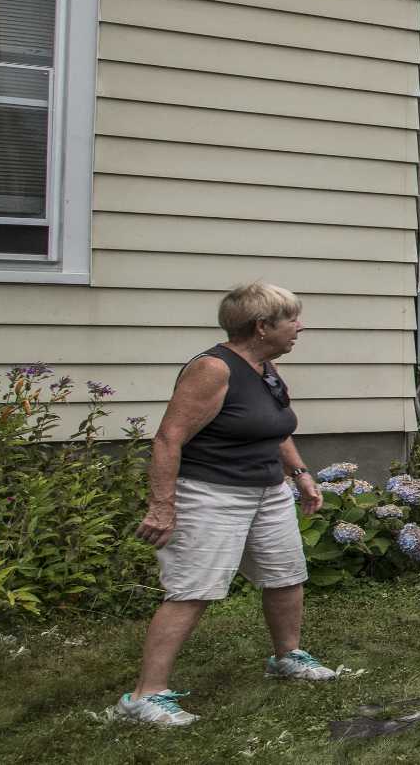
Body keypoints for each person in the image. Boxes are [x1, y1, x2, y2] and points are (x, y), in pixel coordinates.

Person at [113, 282, 340, 728]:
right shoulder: (213, 369)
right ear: (261, 326)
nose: (300, 327)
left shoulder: (265, 368)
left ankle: (286, 656)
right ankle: (144, 696)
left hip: (267, 490)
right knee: (193, 589)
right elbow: (167, 438)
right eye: (291, 319)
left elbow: (274, 427)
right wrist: (163, 505)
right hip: (211, 492)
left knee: (285, 574)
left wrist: (299, 475)